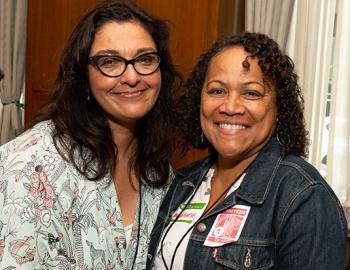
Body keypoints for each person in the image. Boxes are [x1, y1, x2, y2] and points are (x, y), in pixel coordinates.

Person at [0, 1, 179, 269]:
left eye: (144, 59)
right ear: (84, 76)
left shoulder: (158, 171)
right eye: (109, 61)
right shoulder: (30, 167)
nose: (131, 76)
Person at [146, 32, 348, 270]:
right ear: (199, 99)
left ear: (279, 107)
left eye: (251, 93)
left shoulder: (303, 196)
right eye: (217, 91)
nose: (230, 107)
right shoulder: (182, 183)